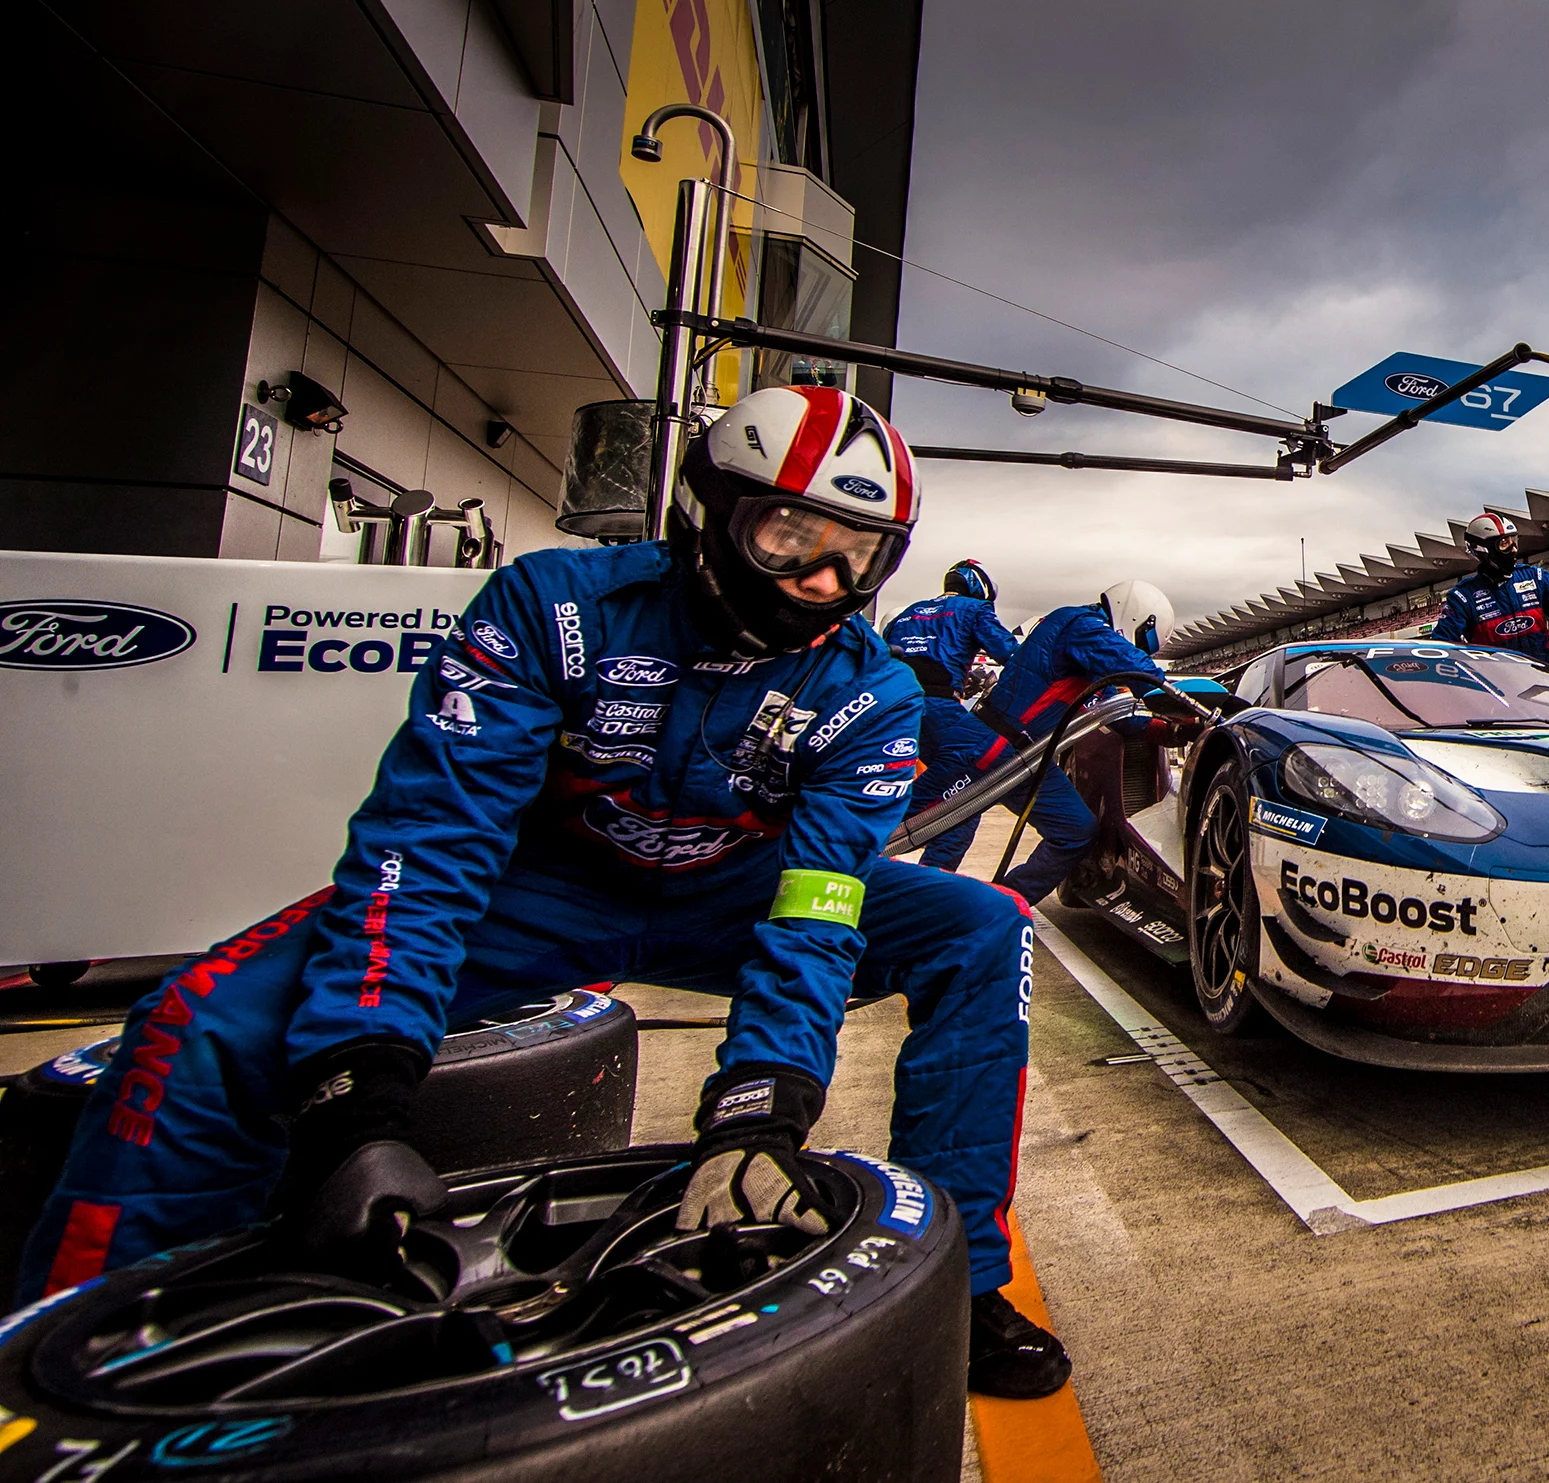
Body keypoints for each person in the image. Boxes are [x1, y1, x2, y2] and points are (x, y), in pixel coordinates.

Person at [18, 386, 1070, 1399]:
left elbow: (821, 903)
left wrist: (761, 1111)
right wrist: (358, 1099)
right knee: (198, 1020)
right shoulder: (553, 602)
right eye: (792, 534)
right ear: (712, 512)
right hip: (533, 889)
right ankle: (77, 1355)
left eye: (859, 555)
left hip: (733, 896)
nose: (822, 580)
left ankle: (962, 1285)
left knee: (980, 924)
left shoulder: (870, 689)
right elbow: (432, 838)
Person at [912, 581, 1196, 903]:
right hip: (988, 745)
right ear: (1137, 619)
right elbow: (1137, 669)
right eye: (1144, 642)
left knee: (1075, 831)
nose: (1141, 650)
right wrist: (1185, 705)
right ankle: (906, 908)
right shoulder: (1078, 623)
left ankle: (999, 907)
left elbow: (1123, 719)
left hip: (1024, 757)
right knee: (907, 826)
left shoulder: (1091, 659)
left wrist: (1174, 732)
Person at [1427, 511, 1549, 671]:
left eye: (1514, 541)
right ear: (1483, 549)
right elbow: (1443, 646)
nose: (1513, 549)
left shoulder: (1537, 577)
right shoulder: (1463, 596)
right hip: (1502, 686)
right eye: (1504, 543)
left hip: (1547, 676)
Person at [886, 559, 1021, 698]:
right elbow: (1008, 651)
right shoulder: (974, 608)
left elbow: (881, 651)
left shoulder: (909, 610)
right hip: (939, 700)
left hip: (892, 700)